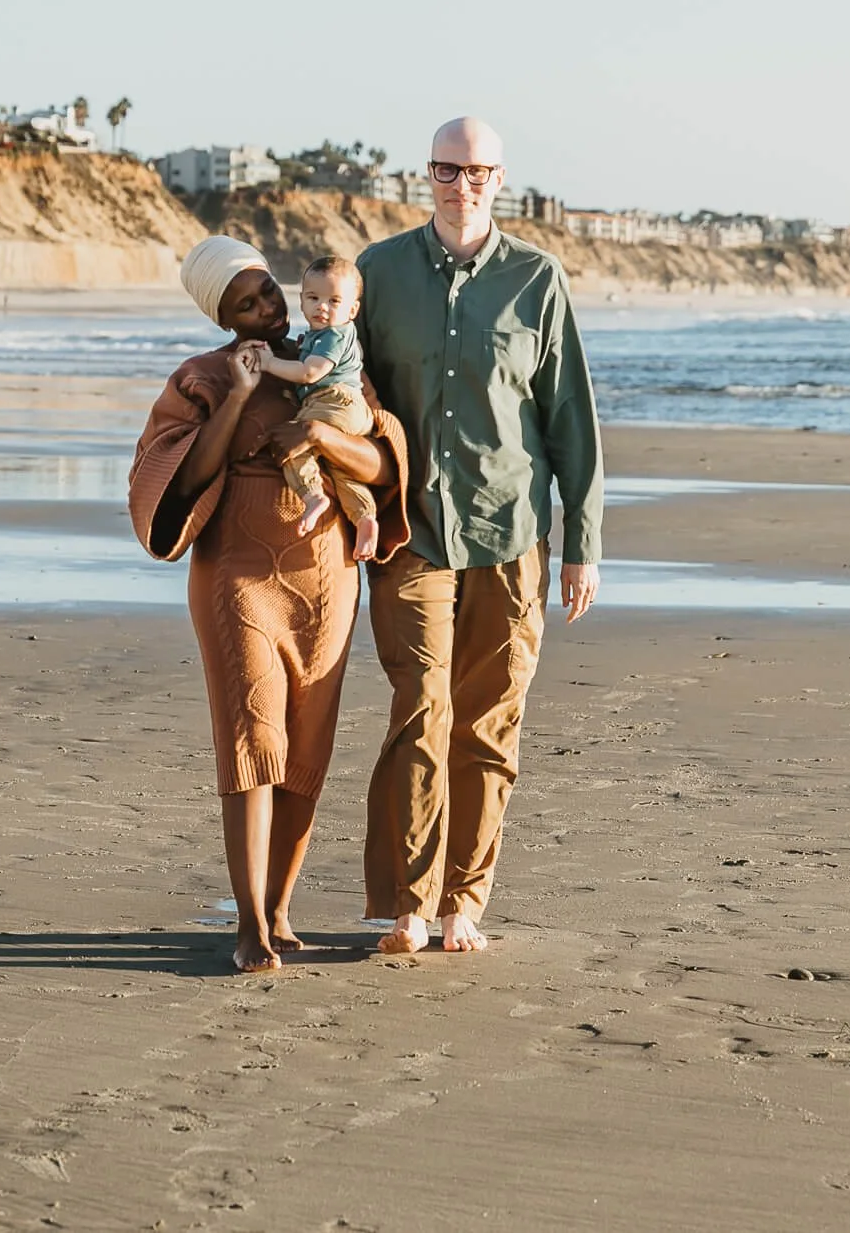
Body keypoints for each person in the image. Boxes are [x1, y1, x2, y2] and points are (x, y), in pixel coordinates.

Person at [129, 235, 409, 973]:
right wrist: (242, 393)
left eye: (267, 291)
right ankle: (249, 924)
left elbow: (381, 459)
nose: (265, 308)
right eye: (243, 302)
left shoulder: (331, 357)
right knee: (253, 737)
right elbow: (178, 479)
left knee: (307, 747)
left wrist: (319, 432)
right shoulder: (199, 377)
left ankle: (282, 911)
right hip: (239, 574)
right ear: (220, 315)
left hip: (327, 575)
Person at [357, 116, 603, 956]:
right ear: (426, 175)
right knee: (420, 708)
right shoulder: (378, 273)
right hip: (408, 531)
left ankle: (465, 901)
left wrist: (583, 542)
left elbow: (569, 415)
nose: (462, 184)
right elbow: (345, 393)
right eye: (446, 169)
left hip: (513, 531)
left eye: (478, 171)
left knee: (489, 720)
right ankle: (409, 903)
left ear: (501, 179)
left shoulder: (537, 278)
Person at [251, 255, 381, 559]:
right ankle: (364, 518)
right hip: (349, 409)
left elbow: (310, 373)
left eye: (334, 300)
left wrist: (270, 363)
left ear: (352, 310)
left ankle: (311, 496)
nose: (322, 307)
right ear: (302, 301)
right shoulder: (319, 336)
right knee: (341, 468)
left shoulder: (335, 335)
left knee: (293, 444)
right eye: (314, 298)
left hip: (335, 402)